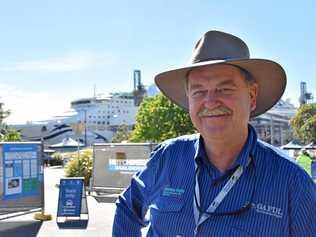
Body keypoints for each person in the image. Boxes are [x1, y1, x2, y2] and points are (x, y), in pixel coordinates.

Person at [112, 30, 316, 236]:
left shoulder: (292, 181)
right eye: (199, 91)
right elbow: (127, 207)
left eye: (225, 89)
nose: (210, 102)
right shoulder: (168, 157)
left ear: (252, 96)